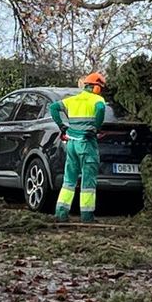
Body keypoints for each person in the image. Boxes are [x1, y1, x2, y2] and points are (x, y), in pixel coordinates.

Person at [48, 72, 108, 223]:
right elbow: (100, 110)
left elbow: (53, 107)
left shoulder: (72, 100)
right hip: (87, 144)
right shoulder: (98, 99)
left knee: (69, 179)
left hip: (72, 143)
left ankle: (61, 213)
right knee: (88, 180)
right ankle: (87, 216)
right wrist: (96, 127)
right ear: (96, 87)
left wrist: (63, 126)